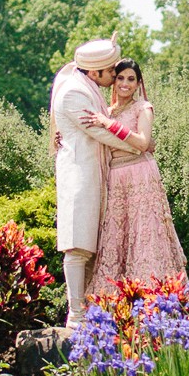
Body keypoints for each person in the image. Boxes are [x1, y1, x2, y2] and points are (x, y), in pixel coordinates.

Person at [85, 58, 186, 296]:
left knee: (144, 234)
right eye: (120, 78)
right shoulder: (105, 112)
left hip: (141, 175)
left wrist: (109, 124)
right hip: (116, 179)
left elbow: (142, 143)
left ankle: (154, 300)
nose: (125, 84)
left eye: (131, 79)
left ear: (139, 83)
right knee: (117, 238)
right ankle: (114, 303)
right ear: (113, 81)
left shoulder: (143, 108)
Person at [51, 38, 130, 328]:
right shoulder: (74, 92)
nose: (114, 75)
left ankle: (87, 309)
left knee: (90, 246)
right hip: (79, 175)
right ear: (95, 72)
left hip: (93, 173)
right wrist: (136, 145)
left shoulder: (88, 88)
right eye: (111, 70)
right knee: (77, 245)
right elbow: (98, 131)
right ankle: (76, 314)